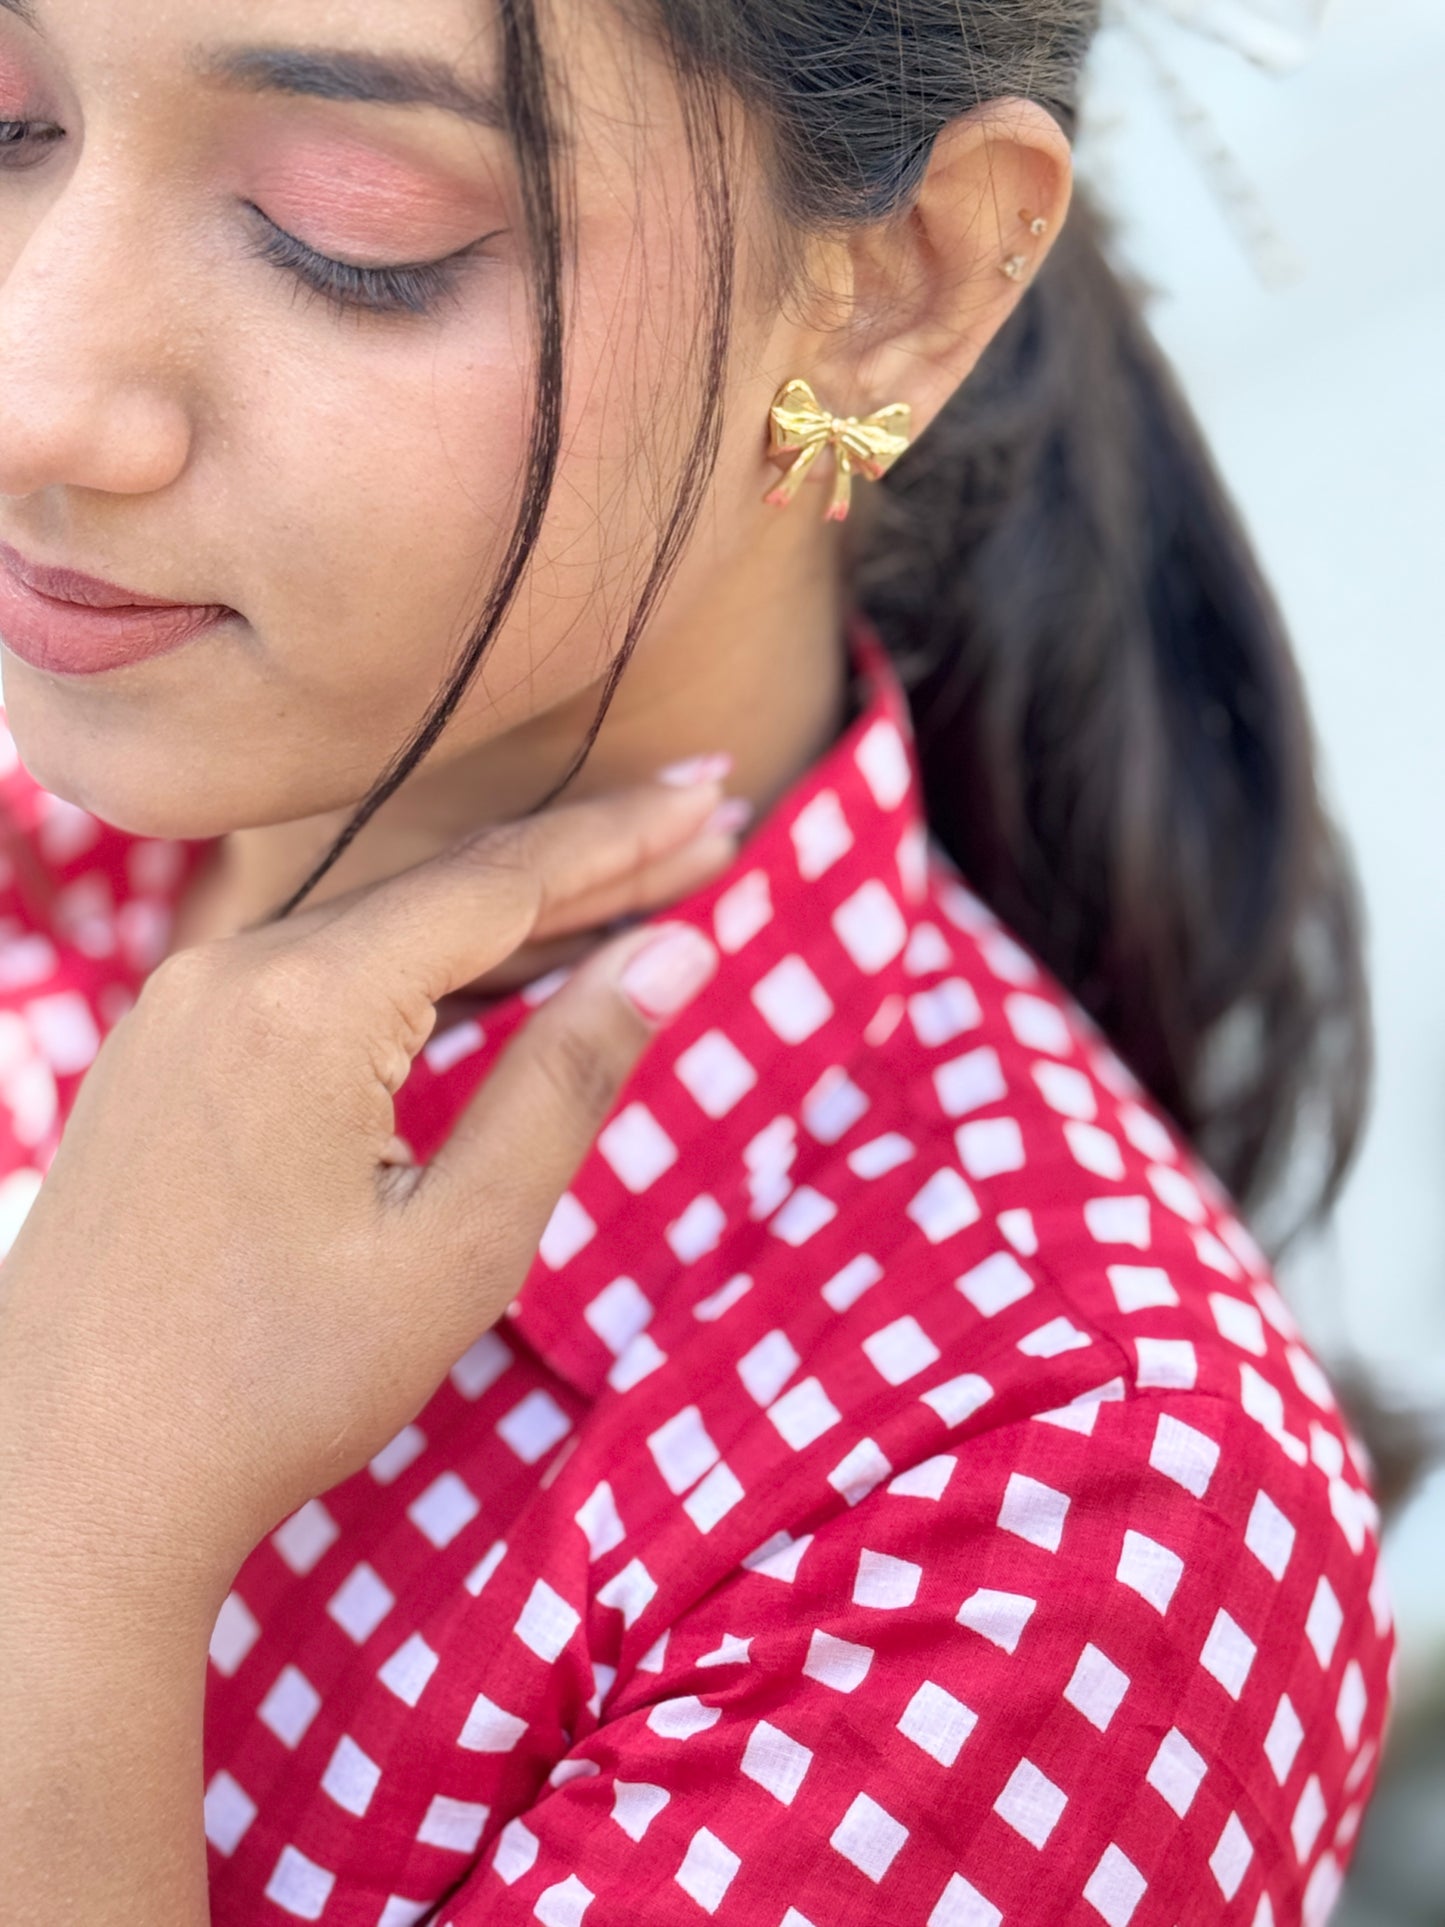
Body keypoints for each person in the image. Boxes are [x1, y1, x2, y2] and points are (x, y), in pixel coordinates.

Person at [0, 0, 1393, 1923]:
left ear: (894, 296)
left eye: (350, 228)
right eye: (8, 126)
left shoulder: (1062, 1513)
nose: (37, 392)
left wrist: (68, 1546)